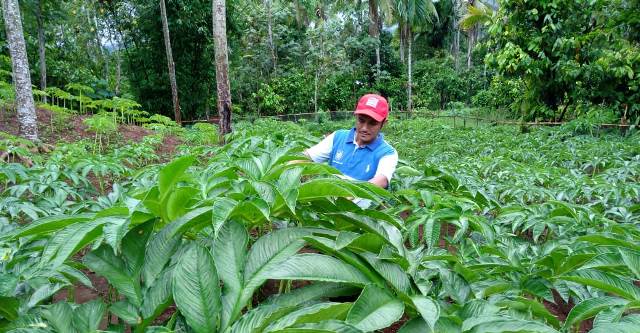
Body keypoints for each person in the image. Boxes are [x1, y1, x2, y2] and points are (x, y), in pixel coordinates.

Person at [305, 93, 398, 189]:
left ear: (384, 123)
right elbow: (308, 156)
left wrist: (348, 195)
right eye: (361, 120)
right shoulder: (338, 137)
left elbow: (381, 180)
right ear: (355, 117)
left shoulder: (387, 152)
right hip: (329, 200)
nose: (364, 128)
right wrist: (290, 166)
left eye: (372, 123)